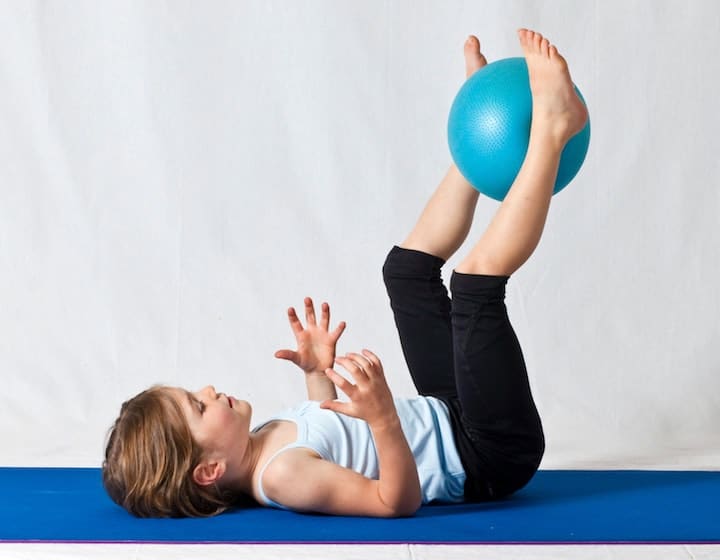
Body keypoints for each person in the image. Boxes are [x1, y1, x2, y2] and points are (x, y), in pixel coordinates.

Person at [102, 28, 589, 518]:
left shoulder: (259, 442)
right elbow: (394, 502)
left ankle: (476, 141)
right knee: (474, 288)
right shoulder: (283, 477)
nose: (207, 391)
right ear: (207, 470)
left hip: (450, 413)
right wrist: (382, 420)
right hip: (487, 453)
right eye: (198, 406)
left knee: (406, 272)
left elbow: (329, 431)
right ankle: (552, 127)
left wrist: (318, 376)